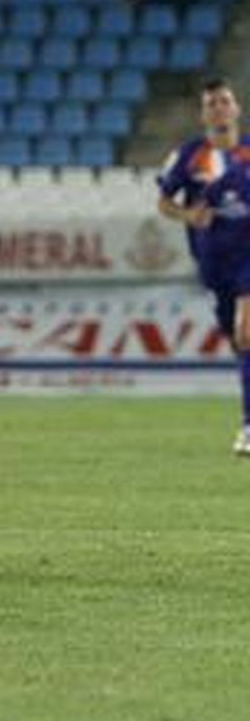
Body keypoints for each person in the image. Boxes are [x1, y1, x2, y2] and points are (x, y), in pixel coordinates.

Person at [155, 78, 250, 455]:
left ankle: (248, 427)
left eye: (224, 101)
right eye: (211, 104)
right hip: (213, 263)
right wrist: (188, 215)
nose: (219, 109)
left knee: (246, 332)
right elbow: (164, 202)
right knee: (238, 340)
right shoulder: (190, 155)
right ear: (203, 114)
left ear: (236, 108)